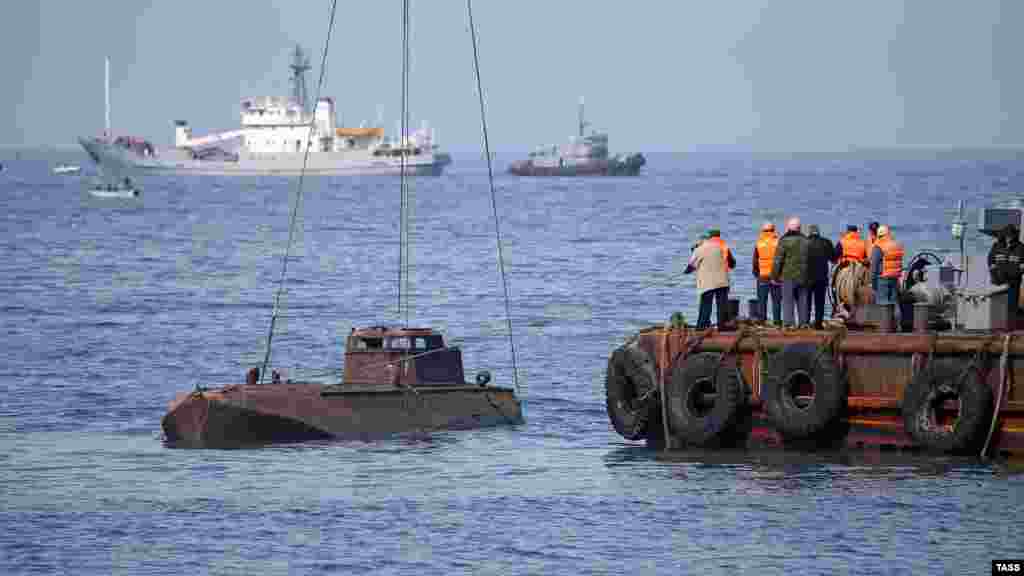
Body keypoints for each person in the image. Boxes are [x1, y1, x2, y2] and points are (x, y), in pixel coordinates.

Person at [685, 228, 735, 330]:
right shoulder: (720, 247)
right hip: (723, 281)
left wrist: (686, 271)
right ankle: (722, 325)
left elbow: (691, 265)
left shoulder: (700, 249)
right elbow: (731, 263)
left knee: (706, 304)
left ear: (701, 241)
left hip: (708, 283)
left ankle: (702, 326)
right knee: (722, 305)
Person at [771, 217, 810, 327]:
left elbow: (778, 260)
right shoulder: (806, 241)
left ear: (788, 228)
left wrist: (774, 276)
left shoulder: (784, 241)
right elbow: (811, 260)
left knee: (788, 301)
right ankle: (803, 323)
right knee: (803, 301)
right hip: (803, 276)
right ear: (799, 228)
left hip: (788, 276)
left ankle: (789, 324)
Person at [988, 223, 1024, 328]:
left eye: (1011, 235)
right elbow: (991, 261)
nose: (1009, 238)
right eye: (1007, 235)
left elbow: (1023, 264)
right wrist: (994, 275)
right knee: (998, 304)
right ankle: (997, 326)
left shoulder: (1021, 247)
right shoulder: (996, 246)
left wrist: (1017, 272)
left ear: (1014, 235)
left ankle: (1010, 328)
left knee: (1012, 305)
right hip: (998, 281)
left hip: (1014, 282)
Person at [805, 224, 836, 329]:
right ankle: (818, 324)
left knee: (807, 302)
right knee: (820, 302)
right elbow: (833, 259)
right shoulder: (826, 242)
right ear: (818, 232)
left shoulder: (804, 242)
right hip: (821, 278)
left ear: (809, 232)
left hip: (807, 277)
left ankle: (806, 322)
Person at [752, 222, 782, 324]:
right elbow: (782, 259)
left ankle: (762, 321)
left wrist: (756, 273)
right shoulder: (778, 242)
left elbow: (755, 260)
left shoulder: (759, 243)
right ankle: (777, 321)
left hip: (762, 275)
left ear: (763, 231)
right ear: (773, 230)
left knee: (762, 300)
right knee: (776, 300)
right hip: (776, 275)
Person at [870, 225, 904, 307]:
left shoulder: (878, 247)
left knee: (883, 306)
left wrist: (873, 284)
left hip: (882, 279)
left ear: (879, 235)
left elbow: (874, 267)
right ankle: (897, 315)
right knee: (894, 304)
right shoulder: (896, 245)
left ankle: (885, 316)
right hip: (895, 278)